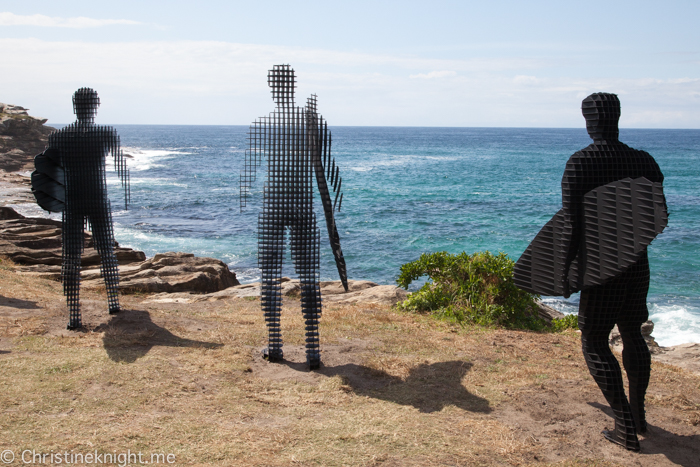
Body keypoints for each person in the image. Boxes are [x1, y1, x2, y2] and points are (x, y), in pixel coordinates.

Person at [561, 92, 665, 451]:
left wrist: (564, 271)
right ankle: (638, 416)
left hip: (601, 266)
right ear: (617, 118)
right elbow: (658, 218)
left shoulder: (581, 163)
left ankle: (623, 428)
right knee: (633, 334)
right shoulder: (644, 161)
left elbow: (572, 225)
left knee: (593, 340)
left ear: (589, 120)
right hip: (637, 264)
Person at [241, 65, 347, 370]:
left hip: (273, 204)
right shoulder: (311, 120)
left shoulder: (261, 124)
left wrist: (241, 196)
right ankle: (312, 350)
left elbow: (247, 174)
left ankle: (275, 345)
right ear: (292, 86)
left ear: (274, 88)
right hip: (302, 205)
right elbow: (329, 168)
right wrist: (336, 198)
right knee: (308, 278)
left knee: (269, 277)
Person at [48, 88, 129, 330]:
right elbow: (121, 165)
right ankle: (113, 302)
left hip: (72, 201)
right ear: (95, 106)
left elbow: (49, 174)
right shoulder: (106, 133)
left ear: (75, 106)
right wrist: (127, 196)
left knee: (71, 257)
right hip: (97, 199)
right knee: (107, 252)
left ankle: (74, 314)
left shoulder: (59, 136)